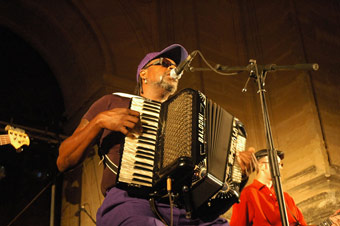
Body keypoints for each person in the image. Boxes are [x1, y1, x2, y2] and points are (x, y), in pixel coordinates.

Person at [57, 44, 255, 226]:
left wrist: (238, 173)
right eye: (163, 64)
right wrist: (99, 121)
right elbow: (64, 160)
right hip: (130, 202)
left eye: (174, 66)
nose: (172, 68)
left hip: (184, 208)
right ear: (143, 73)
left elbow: (210, 191)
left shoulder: (190, 117)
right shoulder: (112, 102)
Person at [230, 149, 308, 226]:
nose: (280, 168)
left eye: (281, 164)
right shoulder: (247, 194)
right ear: (261, 166)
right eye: (277, 163)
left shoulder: (286, 197)